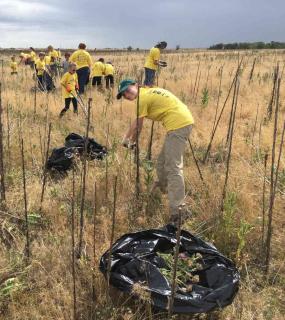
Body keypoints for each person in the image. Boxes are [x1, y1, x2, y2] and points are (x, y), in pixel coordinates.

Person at [117, 79, 194, 224]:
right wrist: (126, 138)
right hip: (179, 123)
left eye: (128, 90)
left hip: (179, 124)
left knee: (173, 167)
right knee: (161, 164)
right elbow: (135, 123)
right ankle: (167, 191)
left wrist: (131, 142)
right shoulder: (146, 93)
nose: (127, 95)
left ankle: (179, 211)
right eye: (124, 94)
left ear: (136, 85)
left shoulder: (143, 98)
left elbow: (139, 126)